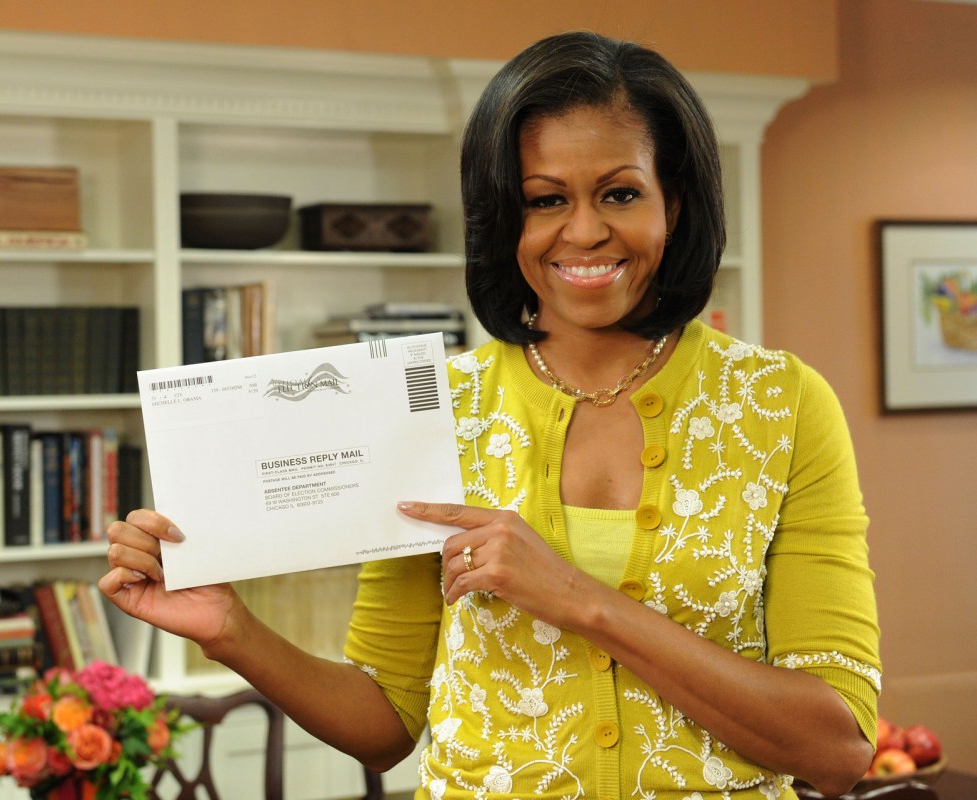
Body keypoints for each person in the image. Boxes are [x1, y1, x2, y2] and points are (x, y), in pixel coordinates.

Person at [101, 30, 881, 800]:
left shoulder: (781, 405)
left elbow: (838, 750)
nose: (584, 231)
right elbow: (384, 723)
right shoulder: (427, 407)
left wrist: (579, 599)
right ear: (504, 219)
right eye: (545, 200)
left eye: (620, 192)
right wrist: (230, 630)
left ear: (672, 202)